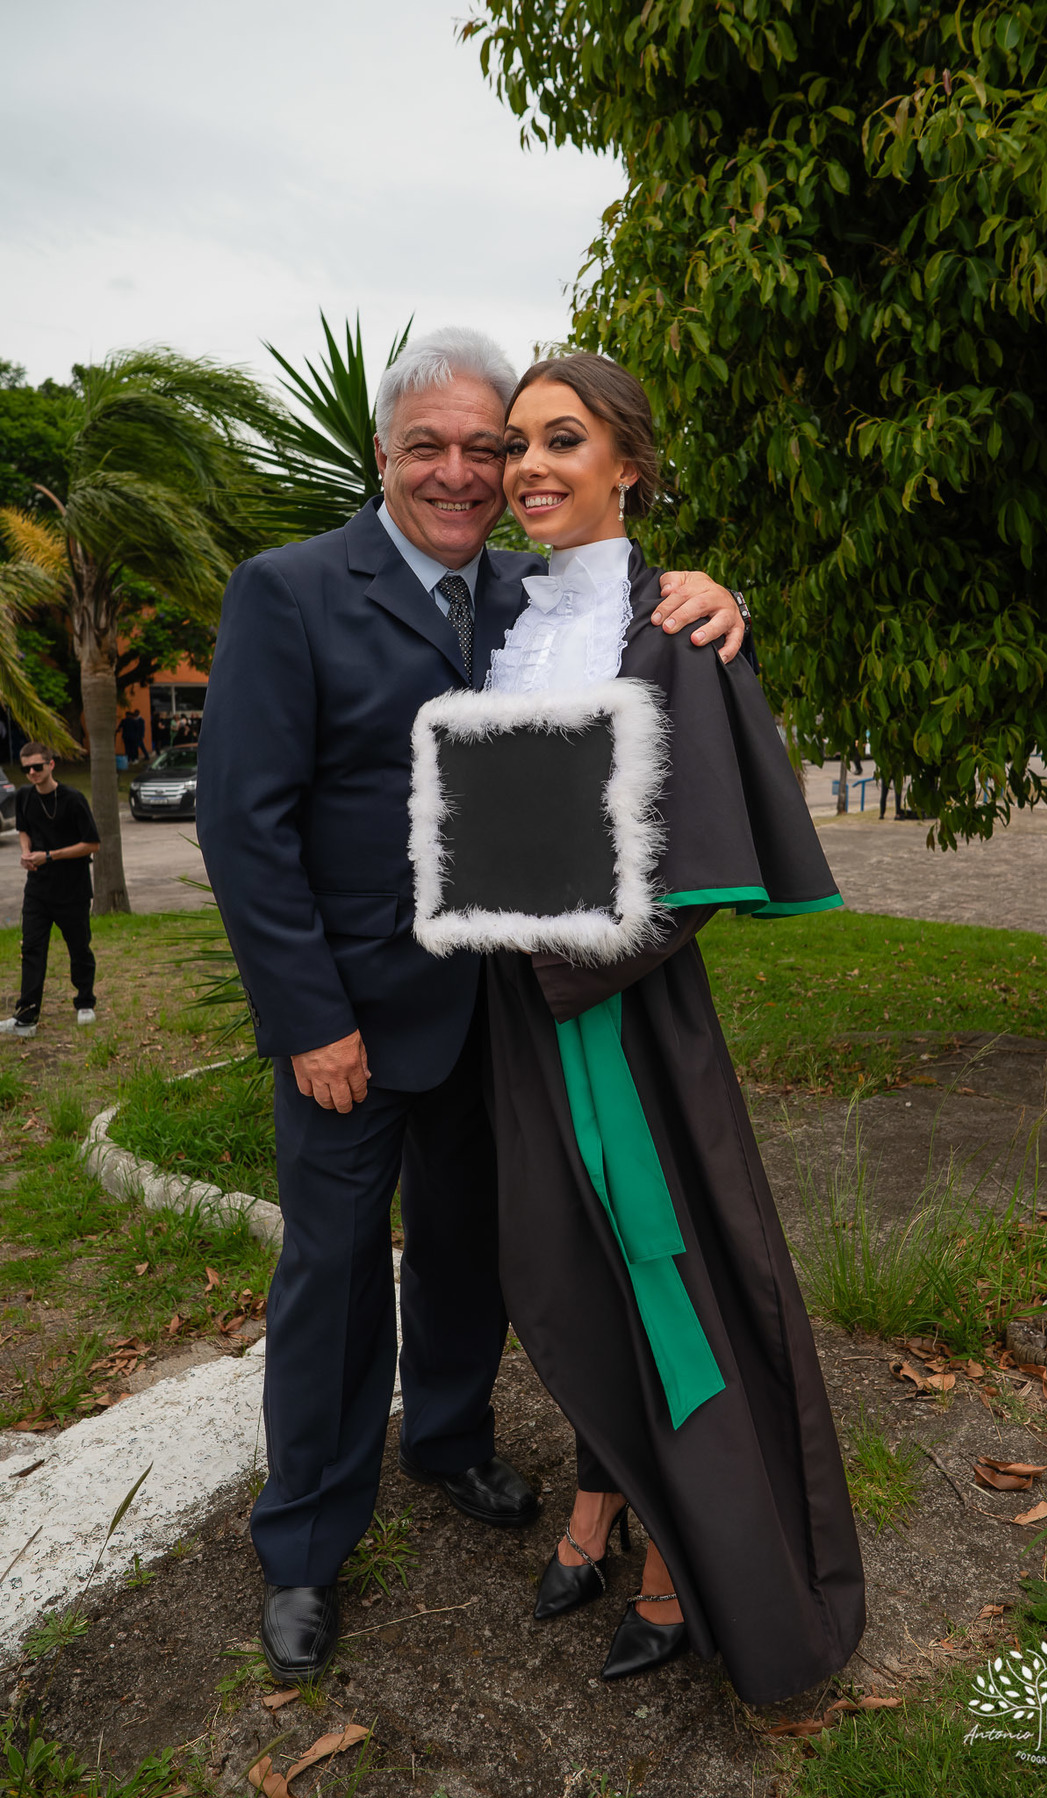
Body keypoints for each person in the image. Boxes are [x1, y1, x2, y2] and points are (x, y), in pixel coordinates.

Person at [195, 326, 746, 1685]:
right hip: (347, 1025)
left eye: (485, 446)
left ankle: (447, 1440)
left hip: (496, 1018)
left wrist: (713, 593)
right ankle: (307, 1544)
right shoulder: (290, 590)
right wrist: (308, 1018)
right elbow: (242, 822)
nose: (462, 471)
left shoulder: (528, 595)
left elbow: (632, 623)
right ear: (381, 454)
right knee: (331, 1276)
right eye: (428, 446)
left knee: (463, 1254)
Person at [479, 354, 864, 1703]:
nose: (528, 465)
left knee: (667, 1274)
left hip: (621, 1021)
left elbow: (698, 866)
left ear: (628, 464)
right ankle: (603, 1488)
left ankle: (699, 1560)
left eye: (562, 440)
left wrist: (557, 968)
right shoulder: (504, 622)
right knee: (565, 1267)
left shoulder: (673, 629)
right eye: (517, 442)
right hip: (520, 1016)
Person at [0, 743, 100, 1039]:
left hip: (73, 888)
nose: (31, 773)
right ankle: (26, 1017)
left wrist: (50, 855)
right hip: (38, 889)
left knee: (79, 947)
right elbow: (23, 829)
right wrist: (26, 851)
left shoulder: (73, 799)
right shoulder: (23, 796)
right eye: (26, 768)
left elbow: (92, 844)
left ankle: (85, 1001)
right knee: (31, 949)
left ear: (51, 765)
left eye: (37, 767)